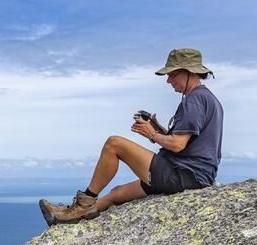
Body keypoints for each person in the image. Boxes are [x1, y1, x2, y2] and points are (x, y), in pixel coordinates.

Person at [39, 48, 224, 226]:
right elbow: (187, 142)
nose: (168, 80)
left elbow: (177, 145)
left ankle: (84, 203)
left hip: (183, 175)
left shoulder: (195, 99)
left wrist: (151, 134)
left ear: (189, 72)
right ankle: (69, 217)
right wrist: (157, 129)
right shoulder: (205, 98)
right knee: (116, 194)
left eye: (173, 74)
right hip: (191, 174)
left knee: (114, 144)